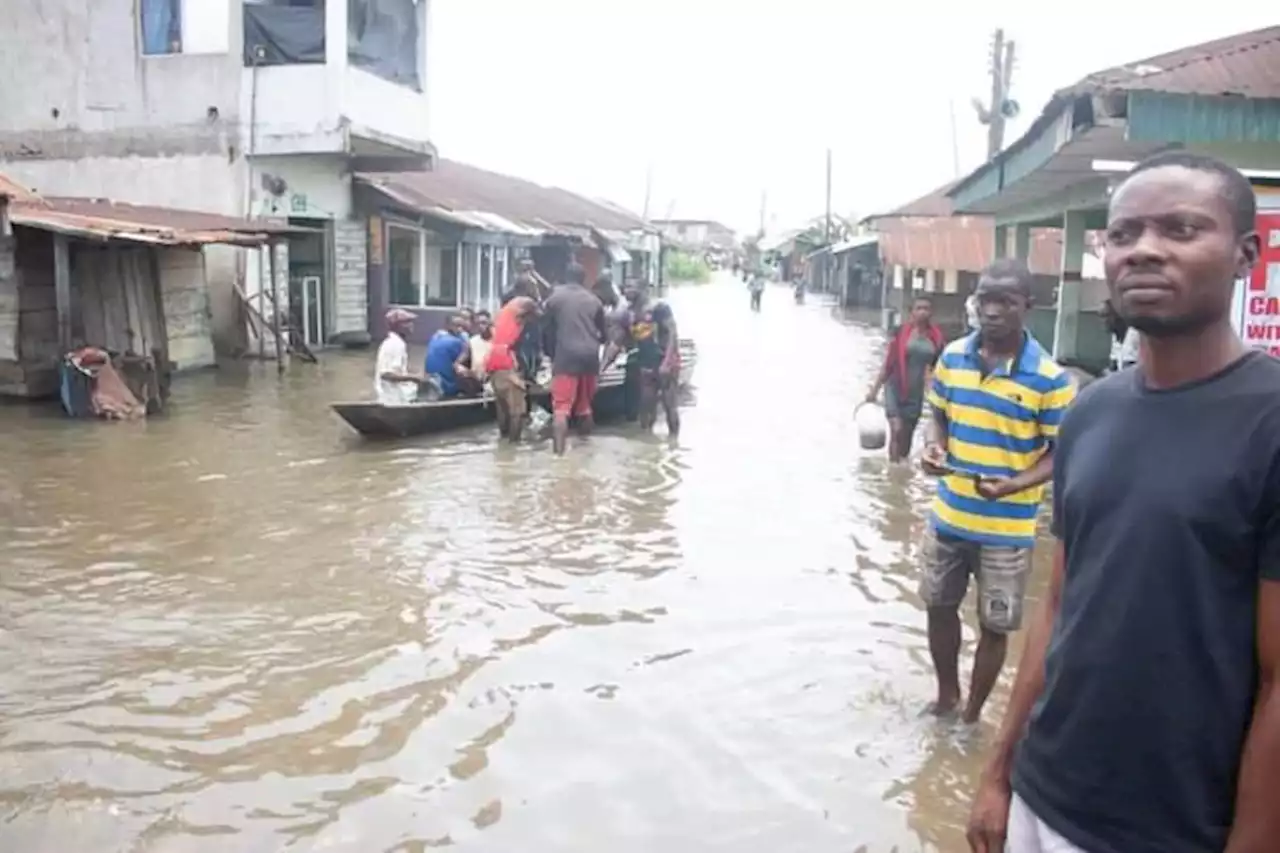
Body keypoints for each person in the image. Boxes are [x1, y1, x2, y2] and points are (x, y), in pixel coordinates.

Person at [967, 153, 1280, 853]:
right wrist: (999, 773)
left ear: (1244, 255)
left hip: (1175, 831)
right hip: (1043, 803)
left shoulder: (1271, 423)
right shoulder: (1088, 414)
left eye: (1180, 228)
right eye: (1124, 232)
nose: (1144, 249)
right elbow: (1059, 606)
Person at [919, 258, 1075, 726]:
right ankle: (946, 697)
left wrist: (1015, 483)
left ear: (1027, 305)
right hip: (947, 518)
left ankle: (971, 715)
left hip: (1006, 531)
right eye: (984, 298)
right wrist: (934, 447)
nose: (991, 310)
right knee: (938, 608)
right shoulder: (952, 357)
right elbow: (939, 414)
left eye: (1004, 301)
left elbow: (1060, 450)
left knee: (995, 625)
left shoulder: (1048, 378)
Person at [865, 296, 945, 461]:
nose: (923, 312)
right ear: (912, 312)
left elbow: (940, 369)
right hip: (895, 386)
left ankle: (901, 470)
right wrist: (874, 391)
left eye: (926, 308)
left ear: (932, 313)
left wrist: (937, 394)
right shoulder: (902, 333)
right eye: (919, 308)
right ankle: (893, 474)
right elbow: (888, 364)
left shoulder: (936, 338)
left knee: (906, 437)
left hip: (915, 393)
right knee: (896, 429)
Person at [542, 262, 607, 455]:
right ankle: (585, 450)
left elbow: (546, 330)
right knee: (585, 407)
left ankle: (559, 457)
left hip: (566, 358)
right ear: (584, 279)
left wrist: (550, 354)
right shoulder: (594, 300)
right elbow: (604, 335)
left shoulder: (554, 299)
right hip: (590, 358)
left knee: (561, 409)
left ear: (565, 278)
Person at [619, 280, 681, 438]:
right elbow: (620, 341)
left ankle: (673, 442)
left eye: (631, 287)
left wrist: (667, 363)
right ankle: (648, 445)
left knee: (669, 406)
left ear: (642, 289)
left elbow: (673, 334)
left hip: (665, 361)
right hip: (646, 364)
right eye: (625, 287)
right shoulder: (629, 314)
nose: (627, 291)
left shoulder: (659, 308)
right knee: (646, 407)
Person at [486, 296, 539, 442]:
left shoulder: (502, 314)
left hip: (493, 363)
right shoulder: (522, 307)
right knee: (517, 412)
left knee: (503, 407)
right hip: (508, 363)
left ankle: (502, 445)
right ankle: (512, 448)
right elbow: (538, 312)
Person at [374, 308, 424, 404]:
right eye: (407, 322)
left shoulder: (394, 342)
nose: (411, 326)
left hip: (391, 395)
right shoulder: (396, 344)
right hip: (391, 398)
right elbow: (386, 374)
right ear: (398, 326)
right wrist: (414, 378)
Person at [422, 314, 471, 398]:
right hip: (447, 385)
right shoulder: (456, 342)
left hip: (431, 380)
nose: (460, 329)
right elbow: (466, 357)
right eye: (457, 325)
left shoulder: (435, 336)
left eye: (462, 327)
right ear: (448, 325)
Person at [467, 310, 494, 384]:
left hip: (493, 382)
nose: (480, 326)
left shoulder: (498, 341)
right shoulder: (472, 341)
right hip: (476, 382)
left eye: (483, 323)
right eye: (478, 324)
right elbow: (459, 362)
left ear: (490, 323)